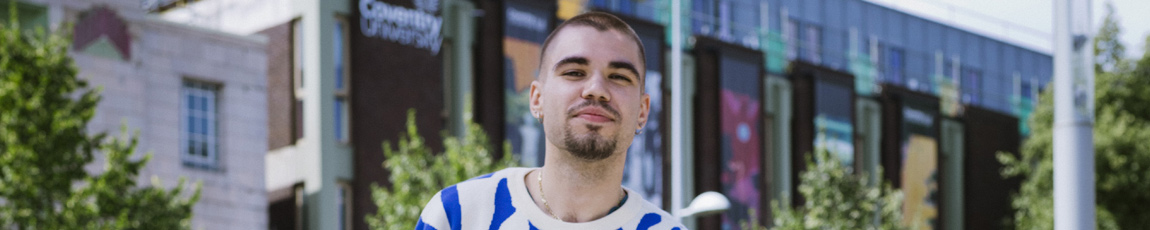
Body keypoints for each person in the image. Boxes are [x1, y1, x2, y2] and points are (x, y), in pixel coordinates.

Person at [416, 11, 684, 230]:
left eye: (619, 77)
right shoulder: (457, 214)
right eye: (575, 72)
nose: (596, 89)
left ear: (642, 110)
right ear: (537, 99)